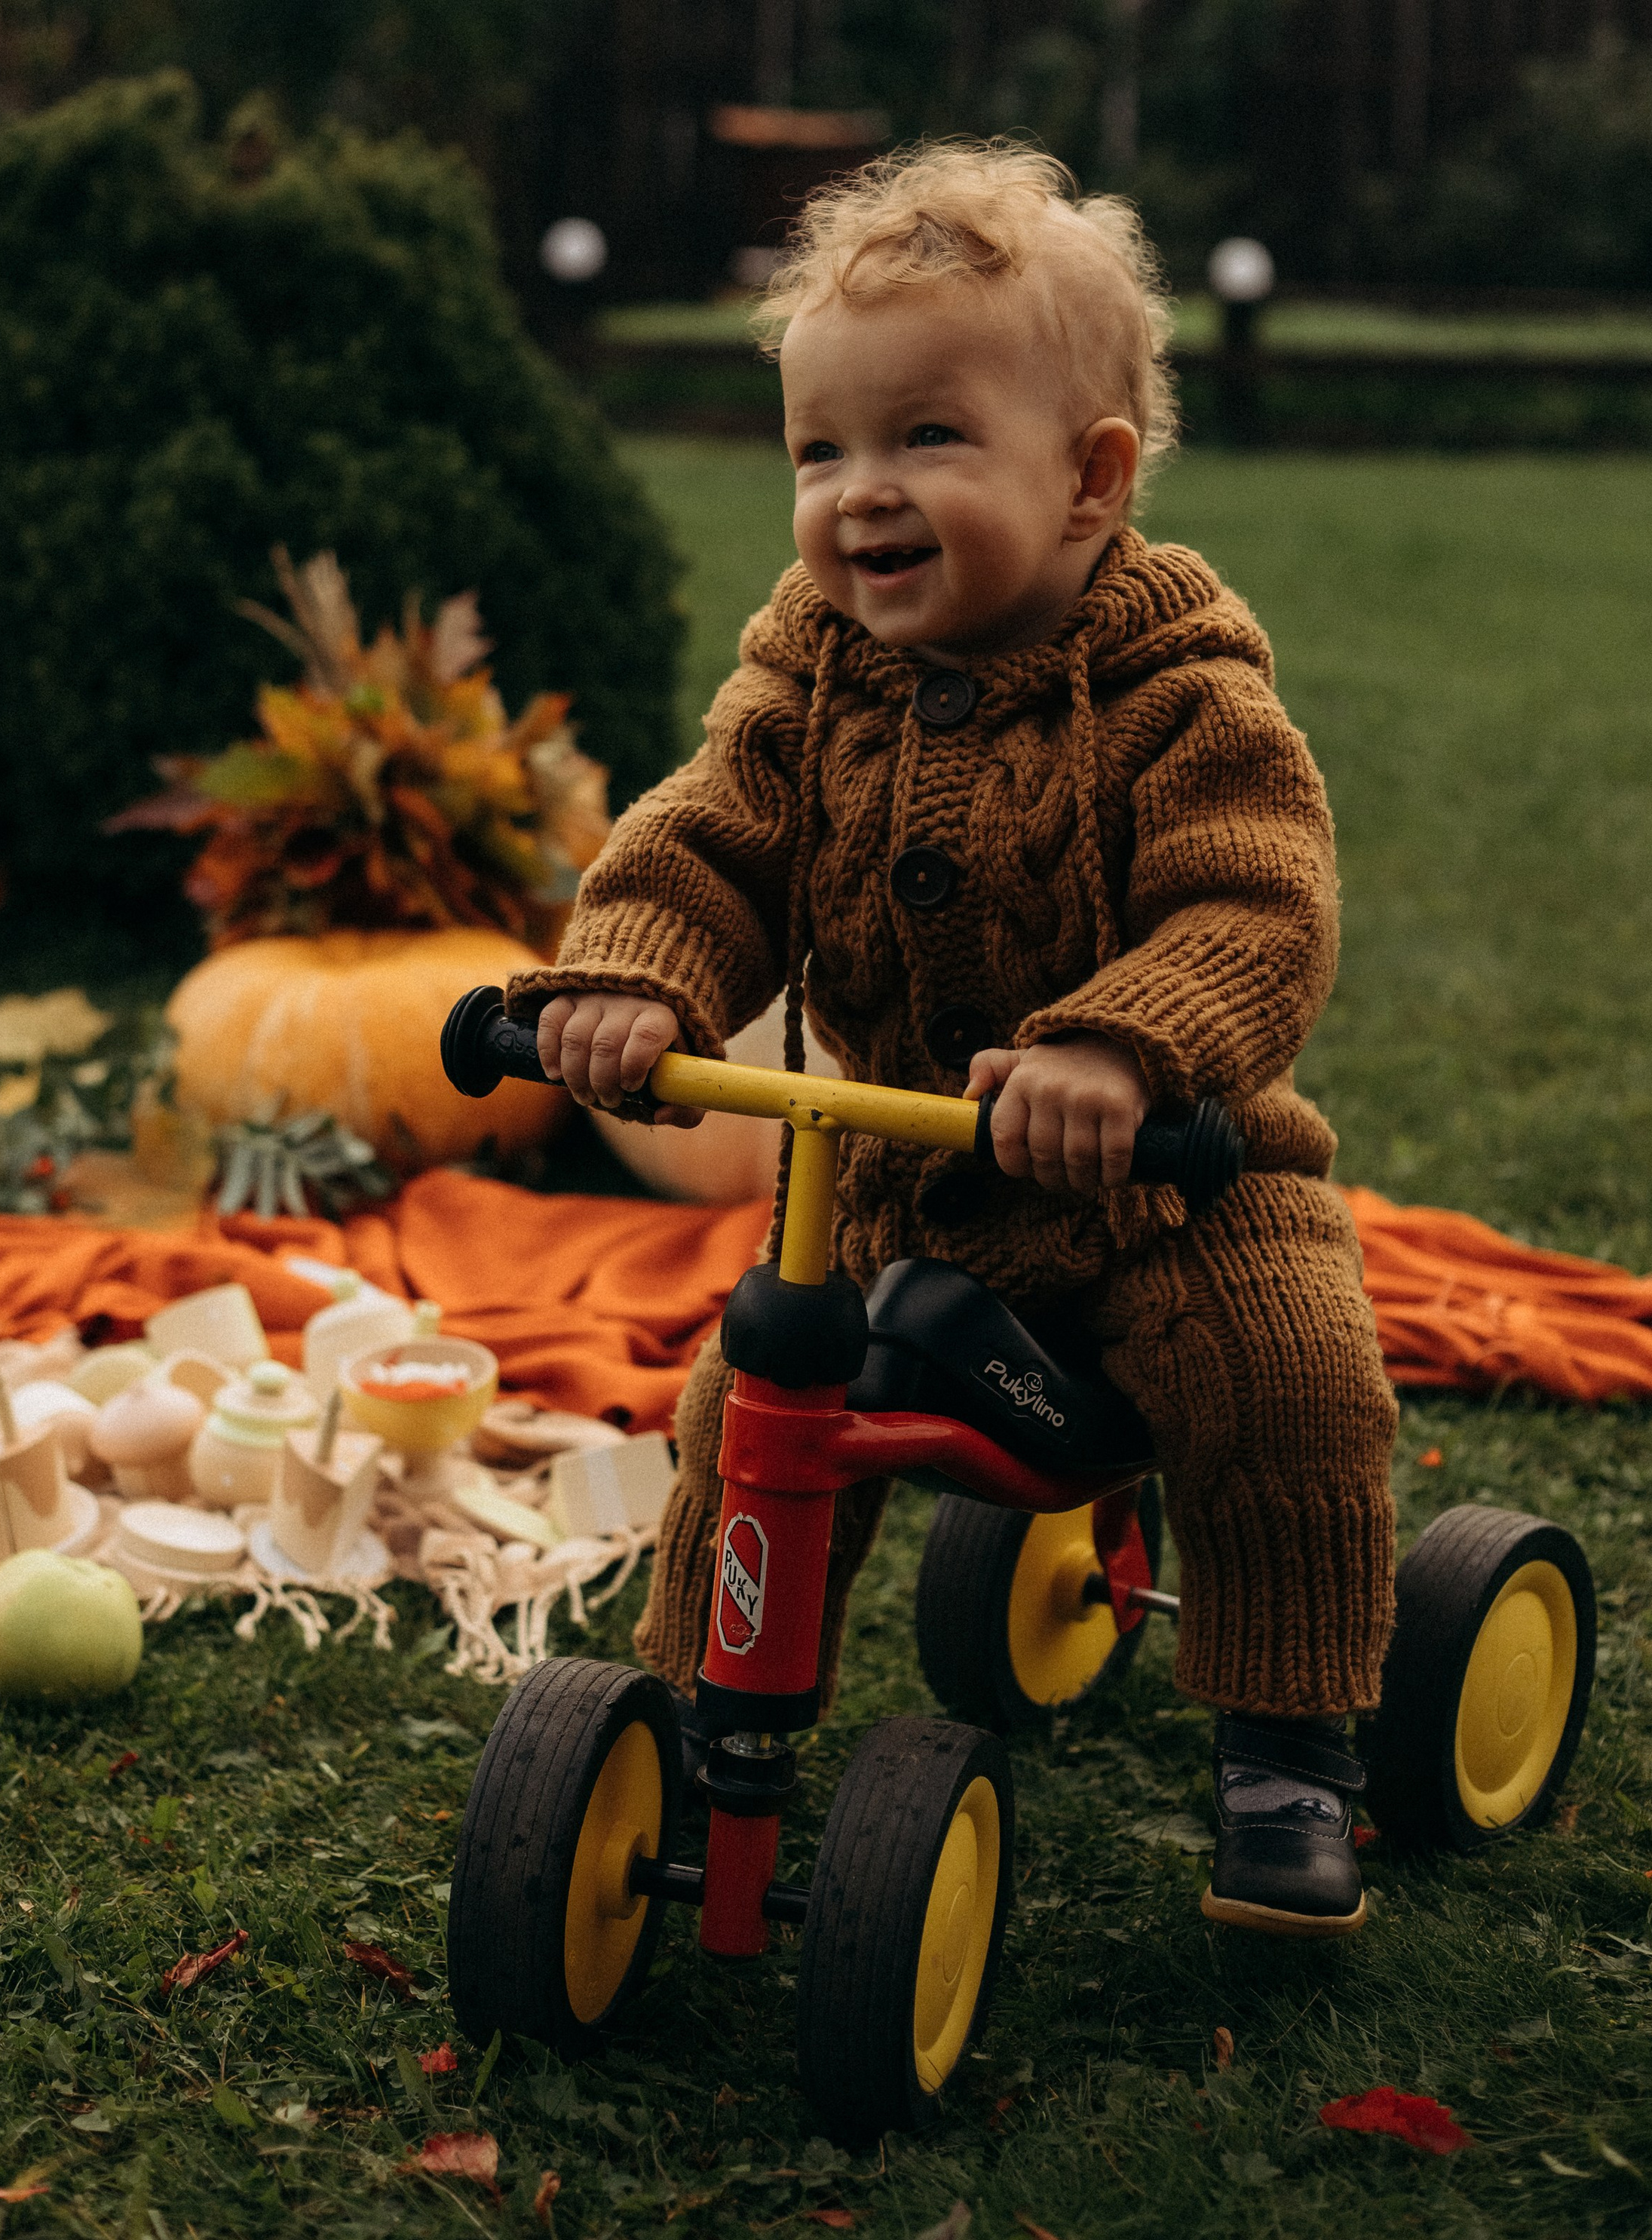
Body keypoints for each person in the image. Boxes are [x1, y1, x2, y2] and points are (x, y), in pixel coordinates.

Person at [509, 140, 1396, 1938]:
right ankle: (696, 1718)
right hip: (905, 1197)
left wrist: (1127, 1053)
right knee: (748, 1404)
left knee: (1288, 1384)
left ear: (1086, 484)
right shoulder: (805, 676)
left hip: (1166, 1197)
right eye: (818, 451)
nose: (857, 496)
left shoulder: (1180, 692)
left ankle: (1289, 1739)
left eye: (924, 439)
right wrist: (630, 972)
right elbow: (707, 838)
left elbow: (1254, 907)